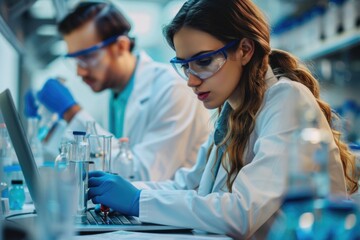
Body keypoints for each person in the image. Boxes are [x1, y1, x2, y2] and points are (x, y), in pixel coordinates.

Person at [87, 0, 358, 239]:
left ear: (244, 50)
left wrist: (137, 200)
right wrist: (124, 189)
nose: (191, 80)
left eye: (203, 62)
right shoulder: (232, 110)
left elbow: (241, 213)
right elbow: (189, 184)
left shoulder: (285, 98)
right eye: (185, 66)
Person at [24, 2, 210, 181]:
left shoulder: (173, 88)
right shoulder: (110, 93)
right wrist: (48, 125)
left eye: (87, 57)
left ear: (121, 46)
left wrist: (72, 113)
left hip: (167, 211)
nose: (79, 71)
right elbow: (98, 162)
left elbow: (142, 175)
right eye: (75, 60)